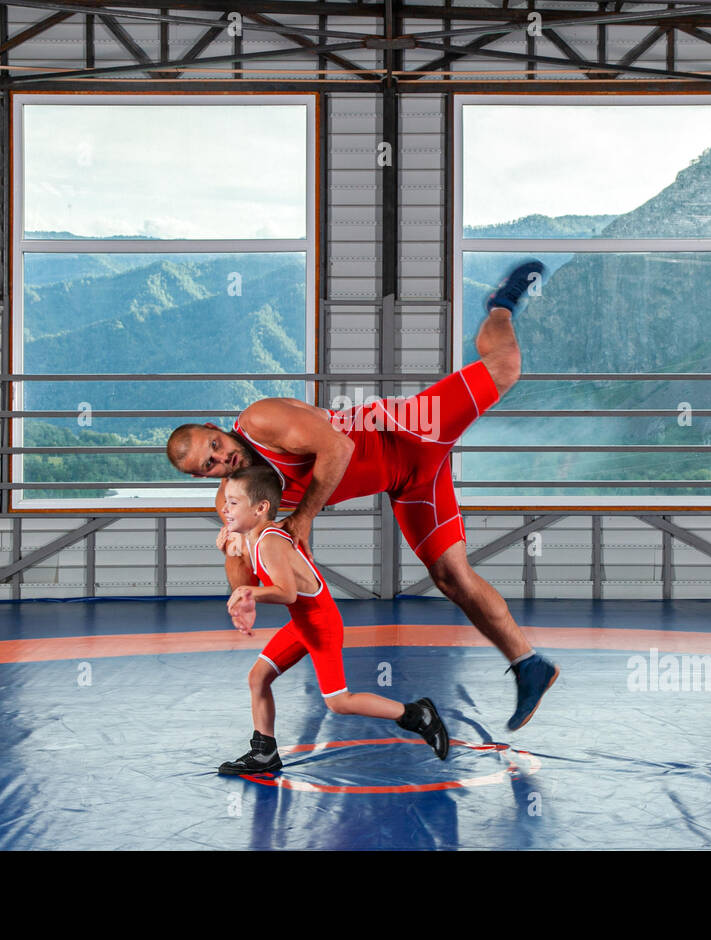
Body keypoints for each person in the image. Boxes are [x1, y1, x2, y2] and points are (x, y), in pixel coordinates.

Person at [169, 260, 559, 731]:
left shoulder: (260, 420)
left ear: (217, 429)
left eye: (216, 446)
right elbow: (247, 561)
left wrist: (305, 516)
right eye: (207, 466)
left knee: (505, 368)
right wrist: (241, 588)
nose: (221, 460)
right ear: (201, 478)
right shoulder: (234, 498)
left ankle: (500, 306)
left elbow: (339, 446)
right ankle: (529, 664)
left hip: (409, 431)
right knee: (451, 576)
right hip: (408, 482)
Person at [215, 464, 449, 776]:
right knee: (258, 677)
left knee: (339, 701)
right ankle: (264, 752)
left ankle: (417, 714)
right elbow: (254, 581)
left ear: (260, 508)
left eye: (233, 503)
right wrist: (233, 557)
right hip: (302, 624)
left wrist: (248, 594)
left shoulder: (270, 542)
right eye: (225, 501)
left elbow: (286, 594)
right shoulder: (248, 537)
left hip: (320, 623)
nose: (225, 509)